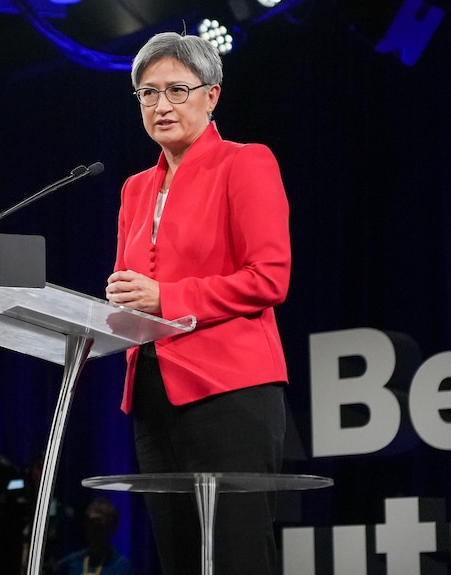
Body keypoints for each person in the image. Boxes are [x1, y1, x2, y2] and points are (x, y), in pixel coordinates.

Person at [104, 32, 290, 575]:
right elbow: (133, 288)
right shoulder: (134, 189)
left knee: (236, 556)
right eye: (147, 93)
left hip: (231, 389)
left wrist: (167, 297)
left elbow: (269, 278)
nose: (161, 105)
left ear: (212, 96)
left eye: (177, 90)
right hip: (153, 393)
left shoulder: (245, 163)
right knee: (179, 559)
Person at [52, 497, 134, 575]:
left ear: (112, 527)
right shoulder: (70, 563)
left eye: (98, 525)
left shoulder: (122, 567)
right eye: (89, 524)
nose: (92, 530)